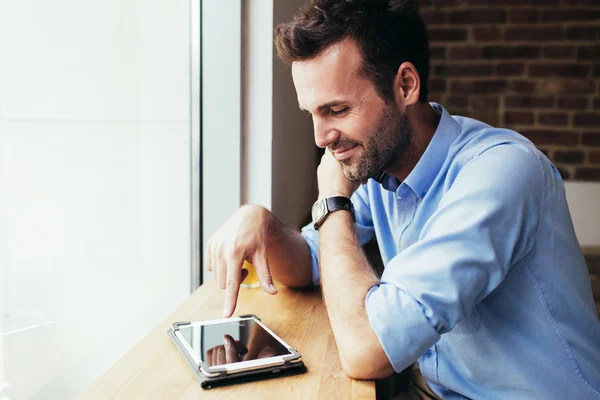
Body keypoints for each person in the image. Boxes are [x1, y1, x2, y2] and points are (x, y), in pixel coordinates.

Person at [205, 0, 600, 398]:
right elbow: (311, 260)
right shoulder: (383, 166)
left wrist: (332, 201)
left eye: (337, 110)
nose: (320, 138)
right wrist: (261, 223)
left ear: (405, 85)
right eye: (311, 113)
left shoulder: (500, 172)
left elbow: (366, 350)